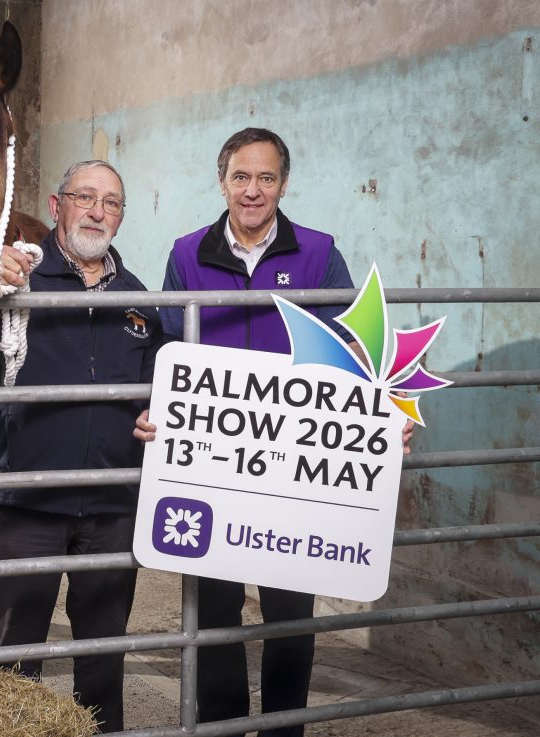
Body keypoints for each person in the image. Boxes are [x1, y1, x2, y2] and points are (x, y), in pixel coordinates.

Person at [134, 127, 412, 737]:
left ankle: (286, 731)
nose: (252, 190)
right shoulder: (187, 255)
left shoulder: (319, 252)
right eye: (240, 177)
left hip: (295, 472)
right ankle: (223, 729)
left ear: (283, 184)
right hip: (211, 467)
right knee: (214, 618)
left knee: (290, 619)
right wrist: (157, 411)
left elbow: (358, 346)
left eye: (265, 178)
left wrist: (383, 418)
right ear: (222, 181)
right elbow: (166, 347)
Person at [0, 160, 163, 733]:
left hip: (111, 508)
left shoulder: (137, 299)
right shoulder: (16, 278)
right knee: (15, 659)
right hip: (27, 504)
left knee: (104, 658)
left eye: (111, 203)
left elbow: (158, 388)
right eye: (85, 197)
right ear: (57, 206)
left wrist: (158, 414)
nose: (97, 211)